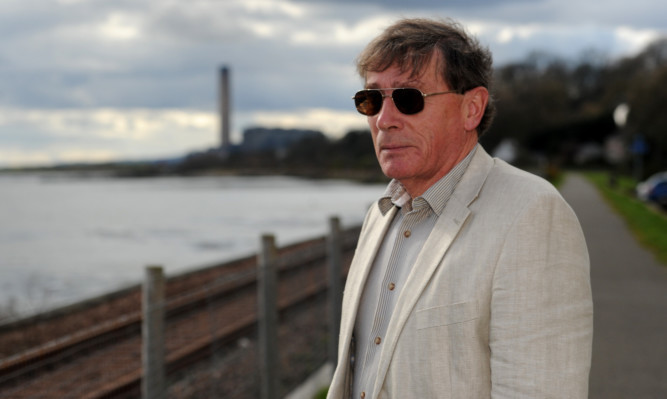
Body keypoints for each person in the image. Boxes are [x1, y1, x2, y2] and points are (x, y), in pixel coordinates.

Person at [327, 18, 593, 399]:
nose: (384, 120)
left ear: (472, 109)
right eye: (370, 100)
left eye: (409, 98)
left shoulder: (532, 214)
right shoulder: (380, 214)